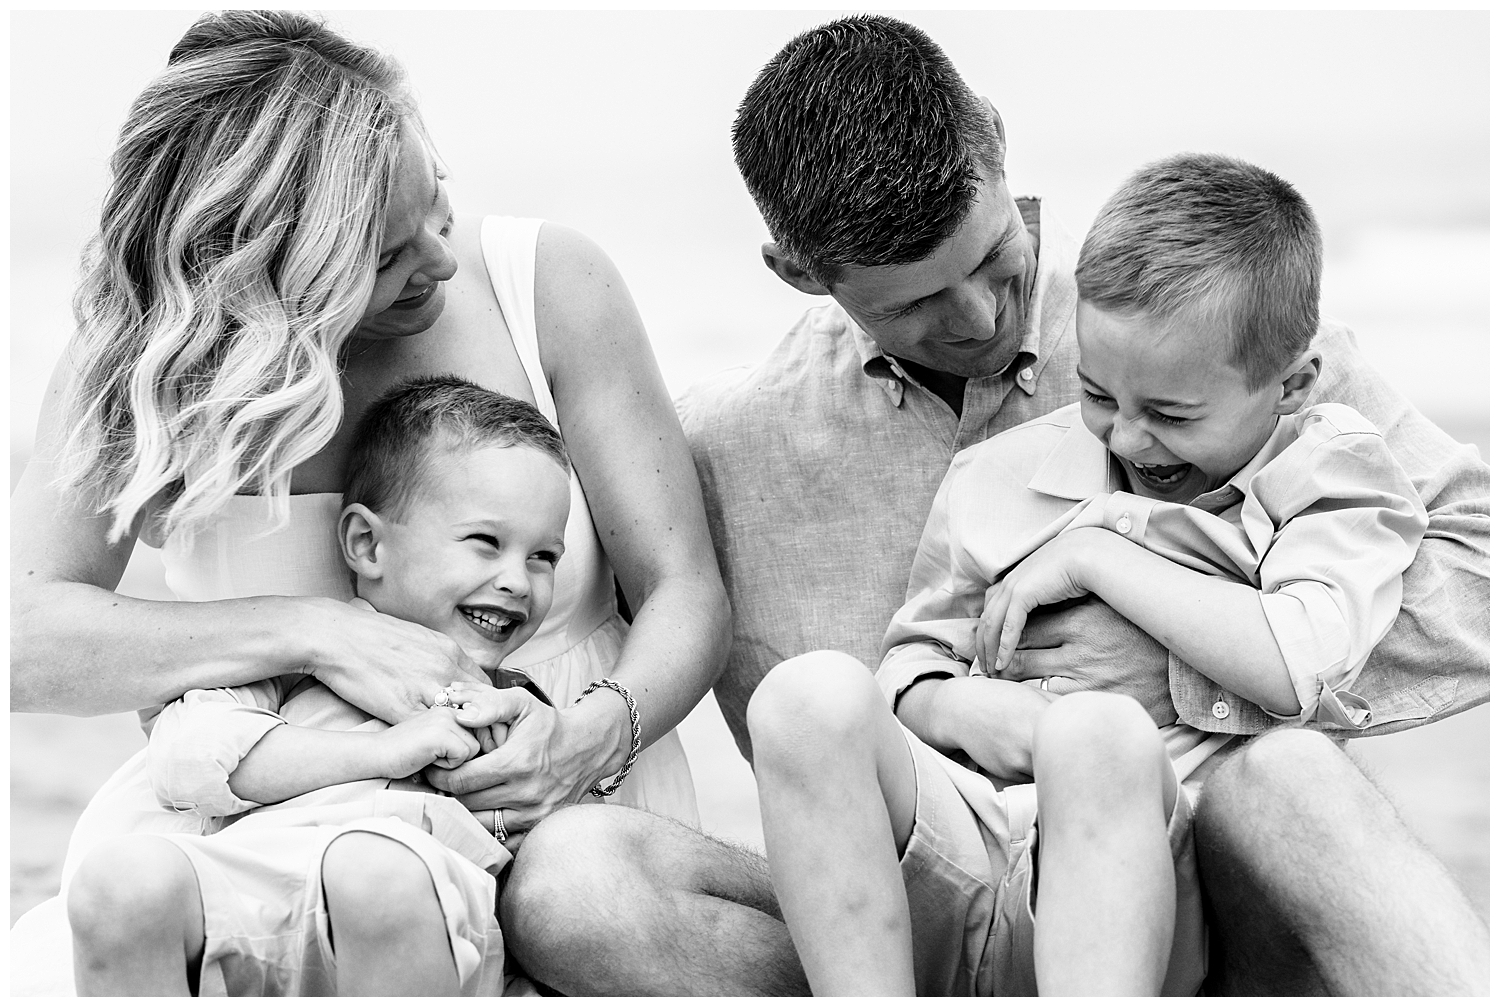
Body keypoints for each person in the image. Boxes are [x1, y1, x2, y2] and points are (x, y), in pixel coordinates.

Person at [503, 14, 1488, 996]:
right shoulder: (715, 450)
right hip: (897, 922)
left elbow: (1479, 588)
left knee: (1294, 782)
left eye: (990, 258)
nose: (977, 317)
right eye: (914, 302)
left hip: (1199, 905)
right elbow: (544, 615)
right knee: (573, 879)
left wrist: (1195, 660)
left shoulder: (1213, 347)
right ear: (799, 274)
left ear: (997, 141)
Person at [10, 11, 728, 996]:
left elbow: (686, 588)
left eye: (438, 201)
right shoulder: (152, 364)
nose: (438, 255)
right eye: (387, 255)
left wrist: (591, 734)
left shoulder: (544, 283)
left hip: (559, 812)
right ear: (274, 272)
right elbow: (27, 640)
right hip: (265, 822)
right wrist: (320, 631)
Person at [747, 153, 1429, 996]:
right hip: (971, 852)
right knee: (802, 695)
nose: (1131, 440)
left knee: (1095, 737)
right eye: (1100, 395)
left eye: (1173, 415)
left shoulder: (1332, 477)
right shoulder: (1000, 473)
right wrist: (978, 707)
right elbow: (909, 667)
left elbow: (1298, 664)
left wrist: (1097, 551)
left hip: (1144, 891)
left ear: (1294, 386)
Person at [70, 377, 577, 996]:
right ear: (367, 544)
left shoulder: (509, 702)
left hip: (419, 908)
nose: (517, 582)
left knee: (370, 867)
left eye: (543, 557)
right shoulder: (296, 658)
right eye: (485, 543)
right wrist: (382, 753)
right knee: (120, 879)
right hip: (261, 880)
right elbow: (186, 762)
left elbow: (542, 839)